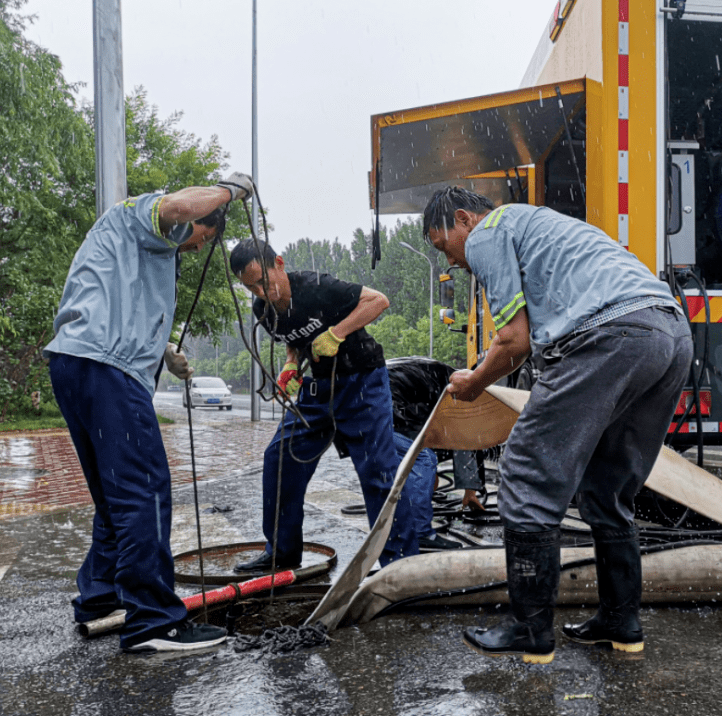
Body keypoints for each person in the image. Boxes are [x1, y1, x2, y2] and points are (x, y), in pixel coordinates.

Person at [422, 187, 693, 664]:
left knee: (526, 471)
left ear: (464, 220)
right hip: (668, 333)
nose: (455, 262)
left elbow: (513, 342)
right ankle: (621, 622)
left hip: (609, 336)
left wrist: (475, 382)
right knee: (607, 488)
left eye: (445, 246)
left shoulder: (489, 232)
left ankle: (530, 629)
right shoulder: (543, 223)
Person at [44, 172, 255, 653]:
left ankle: (100, 596)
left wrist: (165, 354)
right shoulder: (145, 213)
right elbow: (178, 209)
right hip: (107, 368)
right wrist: (231, 190)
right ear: (201, 217)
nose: (201, 247)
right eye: (207, 235)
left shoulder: (136, 248)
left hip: (75, 361)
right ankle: (155, 620)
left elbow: (117, 305)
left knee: (115, 497)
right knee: (145, 490)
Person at [228, 240, 419, 574]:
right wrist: (290, 364)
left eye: (263, 280)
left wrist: (337, 333)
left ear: (279, 263)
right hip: (317, 391)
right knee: (280, 458)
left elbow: (378, 301)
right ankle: (282, 553)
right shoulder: (263, 310)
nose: (261, 291)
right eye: (251, 287)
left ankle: (399, 562)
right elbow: (295, 340)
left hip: (362, 382)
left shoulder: (318, 287)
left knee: (378, 471)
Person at [369, 356, 486, 551]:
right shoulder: (459, 388)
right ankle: (420, 534)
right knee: (423, 459)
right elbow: (467, 438)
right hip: (376, 403)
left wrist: (469, 491)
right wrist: (470, 491)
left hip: (359, 400)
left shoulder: (434, 377)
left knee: (411, 462)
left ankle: (399, 525)